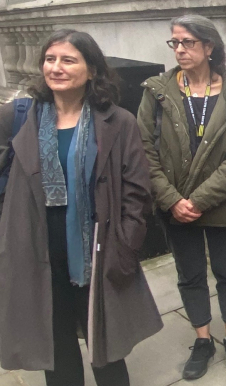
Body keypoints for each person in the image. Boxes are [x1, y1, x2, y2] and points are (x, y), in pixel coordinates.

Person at [0, 30, 162, 385]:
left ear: (92, 70)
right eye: (50, 59)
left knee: (104, 343)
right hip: (36, 247)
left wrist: (127, 244)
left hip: (97, 247)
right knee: (54, 343)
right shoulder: (19, 115)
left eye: (68, 60)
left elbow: (138, 192)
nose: (55, 67)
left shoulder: (118, 122)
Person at [137, 15, 226, 380]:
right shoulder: (156, 91)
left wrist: (199, 199)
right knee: (189, 274)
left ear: (209, 47)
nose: (180, 50)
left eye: (188, 42)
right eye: (175, 42)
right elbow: (144, 150)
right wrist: (173, 200)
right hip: (174, 204)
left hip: (223, 204)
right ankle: (203, 339)